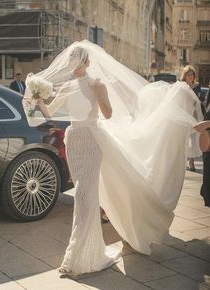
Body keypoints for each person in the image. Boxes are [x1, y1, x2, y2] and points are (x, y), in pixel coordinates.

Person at [22, 40, 201, 275]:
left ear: (86, 63)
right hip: (75, 139)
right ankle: (90, 251)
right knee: (83, 196)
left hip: (93, 140)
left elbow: (108, 114)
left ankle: (73, 257)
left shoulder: (97, 84)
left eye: (78, 60)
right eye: (71, 60)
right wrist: (37, 99)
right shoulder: (66, 87)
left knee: (84, 197)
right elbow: (49, 113)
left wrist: (100, 95)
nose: (74, 64)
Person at [180, 65, 203, 171]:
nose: (190, 77)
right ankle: (185, 159)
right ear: (185, 76)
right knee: (185, 137)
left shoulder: (197, 86)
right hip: (185, 114)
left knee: (194, 138)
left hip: (195, 115)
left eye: (192, 74)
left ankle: (192, 161)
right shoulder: (182, 86)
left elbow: (200, 99)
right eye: (188, 75)